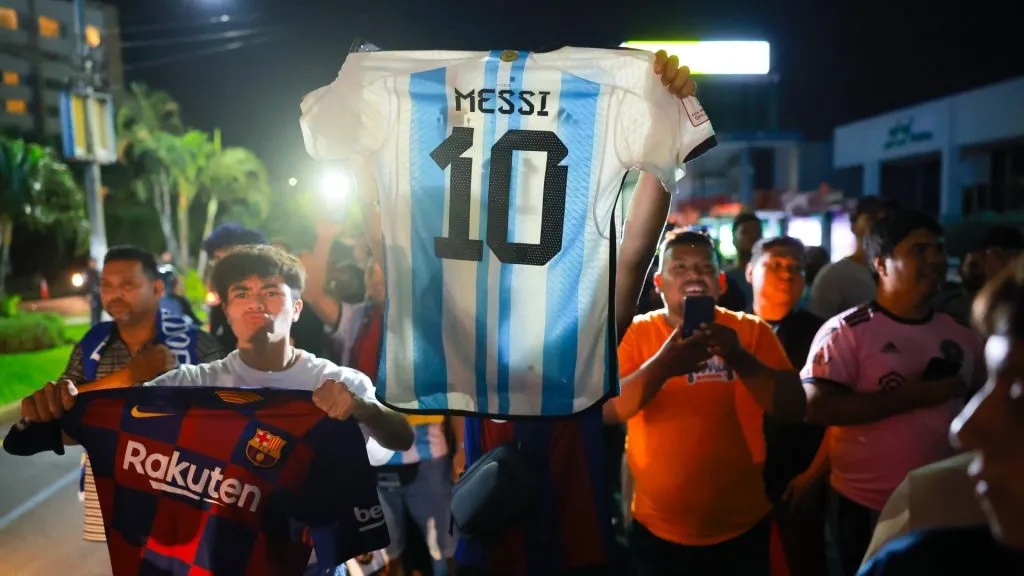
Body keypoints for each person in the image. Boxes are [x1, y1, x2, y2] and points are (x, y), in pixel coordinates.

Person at [606, 228, 806, 576]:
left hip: (743, 524)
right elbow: (610, 411)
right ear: (658, 282)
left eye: (704, 268)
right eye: (680, 268)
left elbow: (793, 407)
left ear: (721, 282)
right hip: (657, 528)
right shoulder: (636, 333)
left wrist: (738, 357)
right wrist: (664, 366)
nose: (694, 275)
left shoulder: (751, 331)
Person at [801, 209, 986, 576]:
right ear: (882, 264)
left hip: (940, 502)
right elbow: (816, 407)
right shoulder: (846, 332)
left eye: (938, 249)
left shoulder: (963, 334)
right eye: (919, 250)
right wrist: (910, 397)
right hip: (863, 505)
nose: (934, 260)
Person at [21, 245, 223, 544]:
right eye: (106, 286)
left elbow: (231, 411)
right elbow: (67, 402)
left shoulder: (195, 344)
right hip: (113, 485)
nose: (114, 295)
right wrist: (129, 376)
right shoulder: (93, 344)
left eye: (127, 285)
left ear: (156, 288)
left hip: (186, 489)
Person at [858, 255, 1024, 575]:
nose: (965, 430)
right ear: (881, 264)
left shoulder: (955, 331)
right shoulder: (916, 565)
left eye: (1020, 391)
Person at [746, 236, 828, 576]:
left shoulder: (822, 333)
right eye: (775, 265)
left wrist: (813, 476)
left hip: (798, 477)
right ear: (750, 272)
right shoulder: (731, 328)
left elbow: (835, 415)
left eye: (796, 267)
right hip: (738, 480)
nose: (787, 274)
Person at [203, 223, 332, 359]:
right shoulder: (220, 310)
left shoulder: (290, 309)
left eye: (231, 260)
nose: (224, 268)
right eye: (217, 260)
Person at [808, 196, 893, 319]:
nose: (880, 227)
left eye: (885, 221)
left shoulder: (900, 273)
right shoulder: (834, 276)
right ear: (854, 227)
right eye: (872, 219)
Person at [720, 212, 763, 312]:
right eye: (745, 232)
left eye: (757, 232)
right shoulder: (724, 279)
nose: (753, 237)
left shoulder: (769, 278)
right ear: (734, 238)